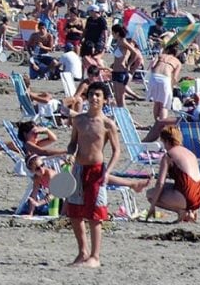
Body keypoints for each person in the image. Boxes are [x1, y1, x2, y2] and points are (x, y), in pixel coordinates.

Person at [65, 81, 121, 268]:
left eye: (98, 95)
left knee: (95, 215)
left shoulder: (107, 124)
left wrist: (108, 171)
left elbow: (116, 151)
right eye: (91, 95)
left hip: (97, 170)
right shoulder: (78, 120)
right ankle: (82, 252)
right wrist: (70, 154)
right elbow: (73, 142)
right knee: (74, 213)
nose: (94, 98)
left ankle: (95, 257)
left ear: (104, 99)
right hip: (78, 169)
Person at [146, 126, 200, 222]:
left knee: (150, 194)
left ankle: (180, 211)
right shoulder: (190, 153)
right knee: (168, 187)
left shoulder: (168, 155)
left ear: (167, 141)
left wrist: (152, 207)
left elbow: (160, 183)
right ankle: (191, 212)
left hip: (186, 196)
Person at [148, 42, 182, 121]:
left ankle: (156, 123)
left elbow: (152, 66)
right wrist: (172, 87)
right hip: (165, 79)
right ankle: (162, 124)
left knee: (157, 102)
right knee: (164, 105)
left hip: (154, 77)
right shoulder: (177, 62)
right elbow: (175, 77)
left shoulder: (160, 56)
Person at [110, 24, 139, 107]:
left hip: (121, 72)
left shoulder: (123, 41)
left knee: (121, 98)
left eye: (113, 33)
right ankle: (121, 117)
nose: (112, 35)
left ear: (117, 33)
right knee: (117, 97)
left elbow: (135, 53)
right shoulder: (118, 42)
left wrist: (129, 64)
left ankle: (126, 118)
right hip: (115, 71)